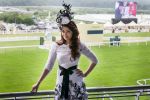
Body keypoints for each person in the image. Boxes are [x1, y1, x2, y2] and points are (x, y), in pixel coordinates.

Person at [31, 2, 98, 100]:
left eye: (68, 31)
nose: (65, 34)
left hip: (76, 82)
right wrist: (38, 83)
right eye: (63, 31)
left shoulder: (79, 45)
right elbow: (48, 66)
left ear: (73, 32)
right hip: (61, 81)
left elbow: (95, 60)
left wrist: (85, 74)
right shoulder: (56, 46)